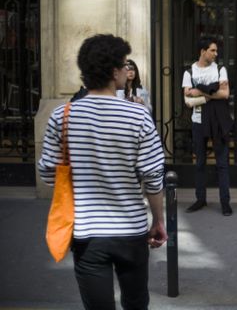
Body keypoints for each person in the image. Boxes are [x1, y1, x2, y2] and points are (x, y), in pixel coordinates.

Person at [38, 34, 167, 309]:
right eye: (123, 64)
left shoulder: (62, 116)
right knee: (136, 303)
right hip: (131, 231)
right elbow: (153, 177)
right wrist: (158, 220)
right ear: (114, 72)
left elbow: (49, 175)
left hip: (87, 234)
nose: (126, 70)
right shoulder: (138, 115)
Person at [182, 37, 234, 216]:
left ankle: (225, 202)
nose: (216, 54)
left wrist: (200, 90)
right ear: (203, 51)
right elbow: (188, 100)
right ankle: (200, 199)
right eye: (212, 50)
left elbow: (225, 94)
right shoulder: (189, 72)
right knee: (200, 163)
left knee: (222, 164)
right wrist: (211, 91)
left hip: (218, 122)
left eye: (216, 51)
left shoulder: (220, 69)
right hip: (198, 121)